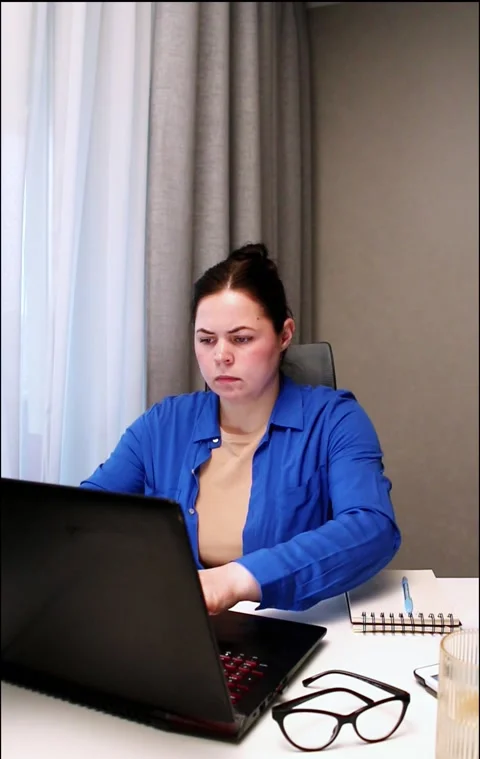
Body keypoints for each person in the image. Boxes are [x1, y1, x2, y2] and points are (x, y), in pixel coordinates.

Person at [80, 243, 401, 615]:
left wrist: (234, 579)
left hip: (294, 628)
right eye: (206, 339)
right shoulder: (162, 424)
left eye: (241, 338)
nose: (221, 356)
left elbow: (372, 528)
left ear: (284, 335)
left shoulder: (335, 420)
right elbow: (87, 517)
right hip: (180, 625)